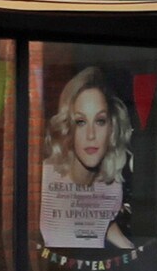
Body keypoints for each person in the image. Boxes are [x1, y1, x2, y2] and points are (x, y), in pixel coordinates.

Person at [40, 67, 135, 251]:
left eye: (100, 121)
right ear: (67, 127)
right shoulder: (44, 177)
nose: (91, 135)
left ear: (112, 128)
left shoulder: (112, 186)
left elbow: (101, 223)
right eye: (80, 122)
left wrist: (132, 249)